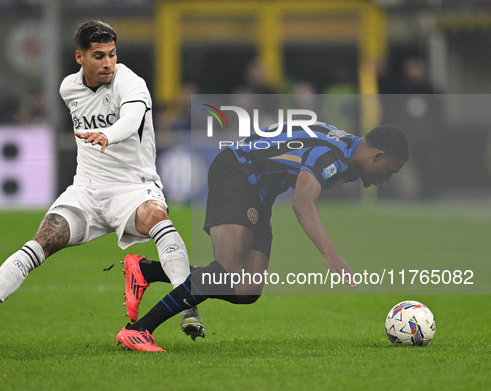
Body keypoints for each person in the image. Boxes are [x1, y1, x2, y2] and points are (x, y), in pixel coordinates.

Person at [0, 20, 204, 347]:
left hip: (133, 188)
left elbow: (130, 121)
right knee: (44, 239)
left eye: (112, 54)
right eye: (98, 56)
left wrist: (107, 135)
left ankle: (188, 309)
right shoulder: (68, 88)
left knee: (157, 217)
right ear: (79, 57)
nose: (108, 63)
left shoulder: (132, 84)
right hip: (87, 191)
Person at [116, 123, 409, 351]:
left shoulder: (348, 152)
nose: (388, 177)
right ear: (377, 155)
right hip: (238, 173)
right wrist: (329, 253)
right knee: (227, 270)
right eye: (390, 170)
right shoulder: (333, 154)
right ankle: (138, 330)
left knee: (246, 289)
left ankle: (145, 270)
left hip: (259, 191)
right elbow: (303, 202)